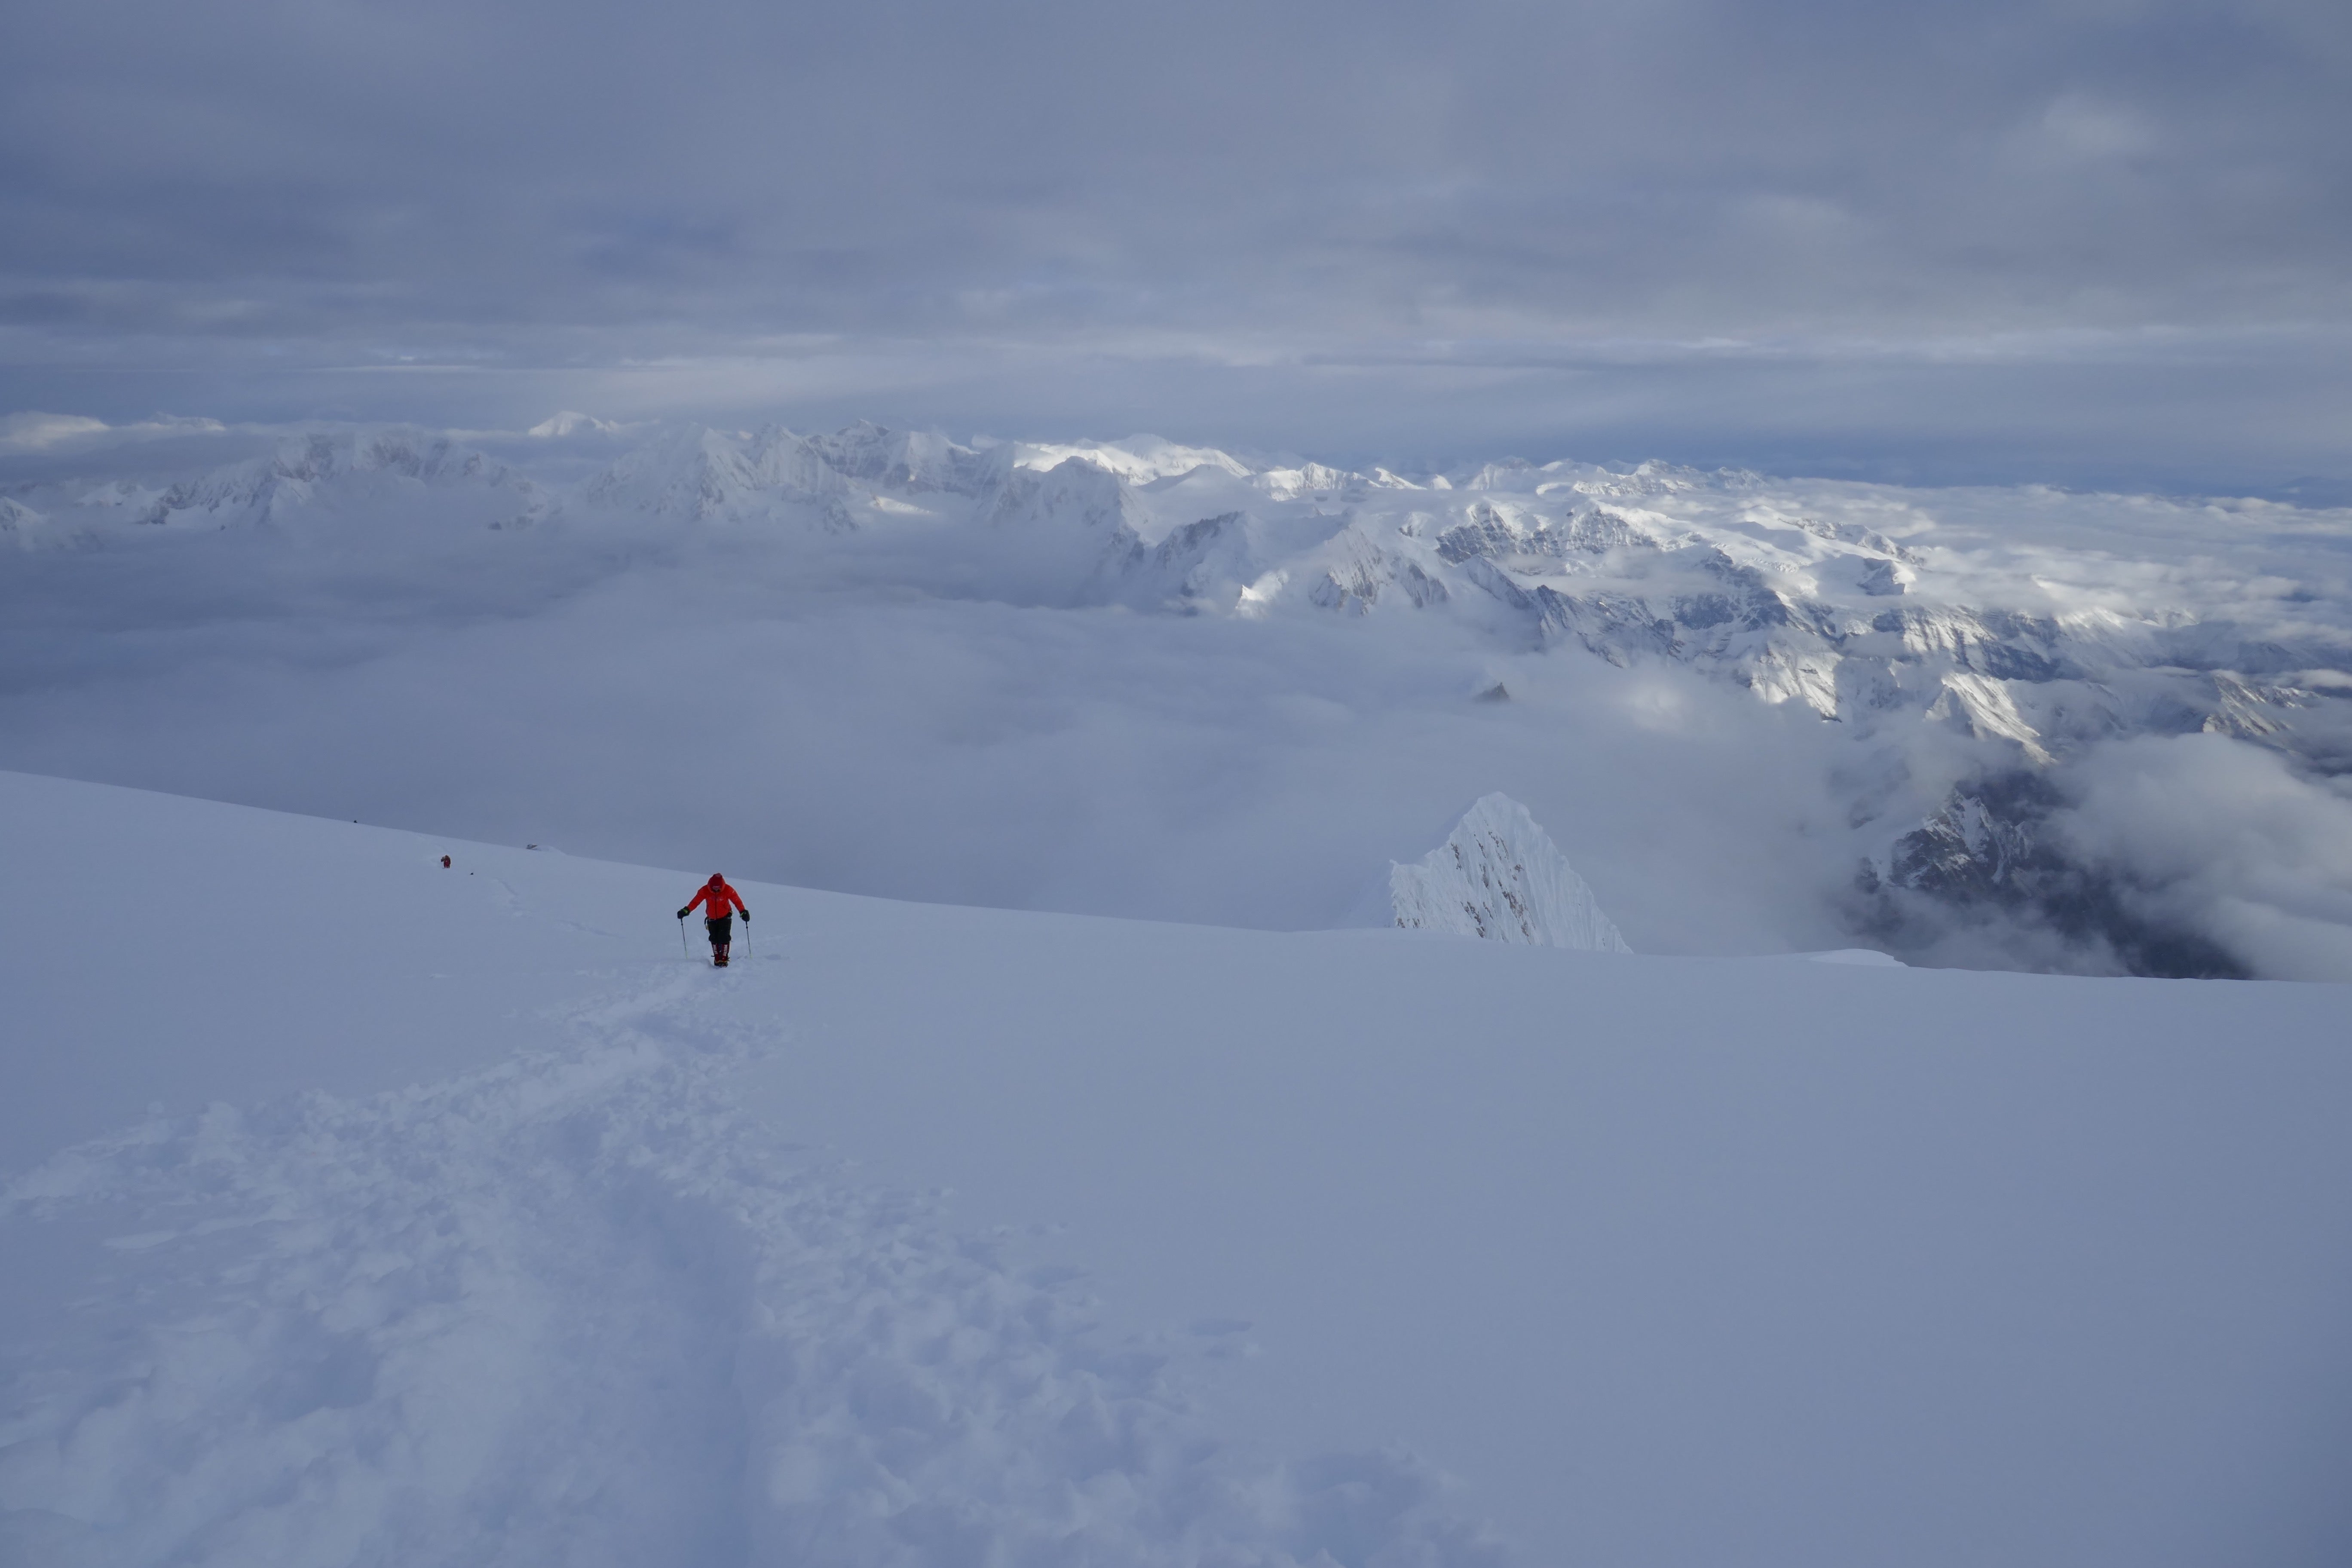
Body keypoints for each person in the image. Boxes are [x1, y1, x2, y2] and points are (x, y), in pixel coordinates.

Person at [678, 873, 750, 967]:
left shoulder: (728, 890)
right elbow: (696, 902)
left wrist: (743, 911)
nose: (716, 890)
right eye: (714, 888)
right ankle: (717, 958)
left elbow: (737, 901)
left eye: (718, 888)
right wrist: (686, 910)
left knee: (724, 937)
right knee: (714, 938)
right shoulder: (705, 890)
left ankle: (724, 959)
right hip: (712, 918)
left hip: (725, 917)